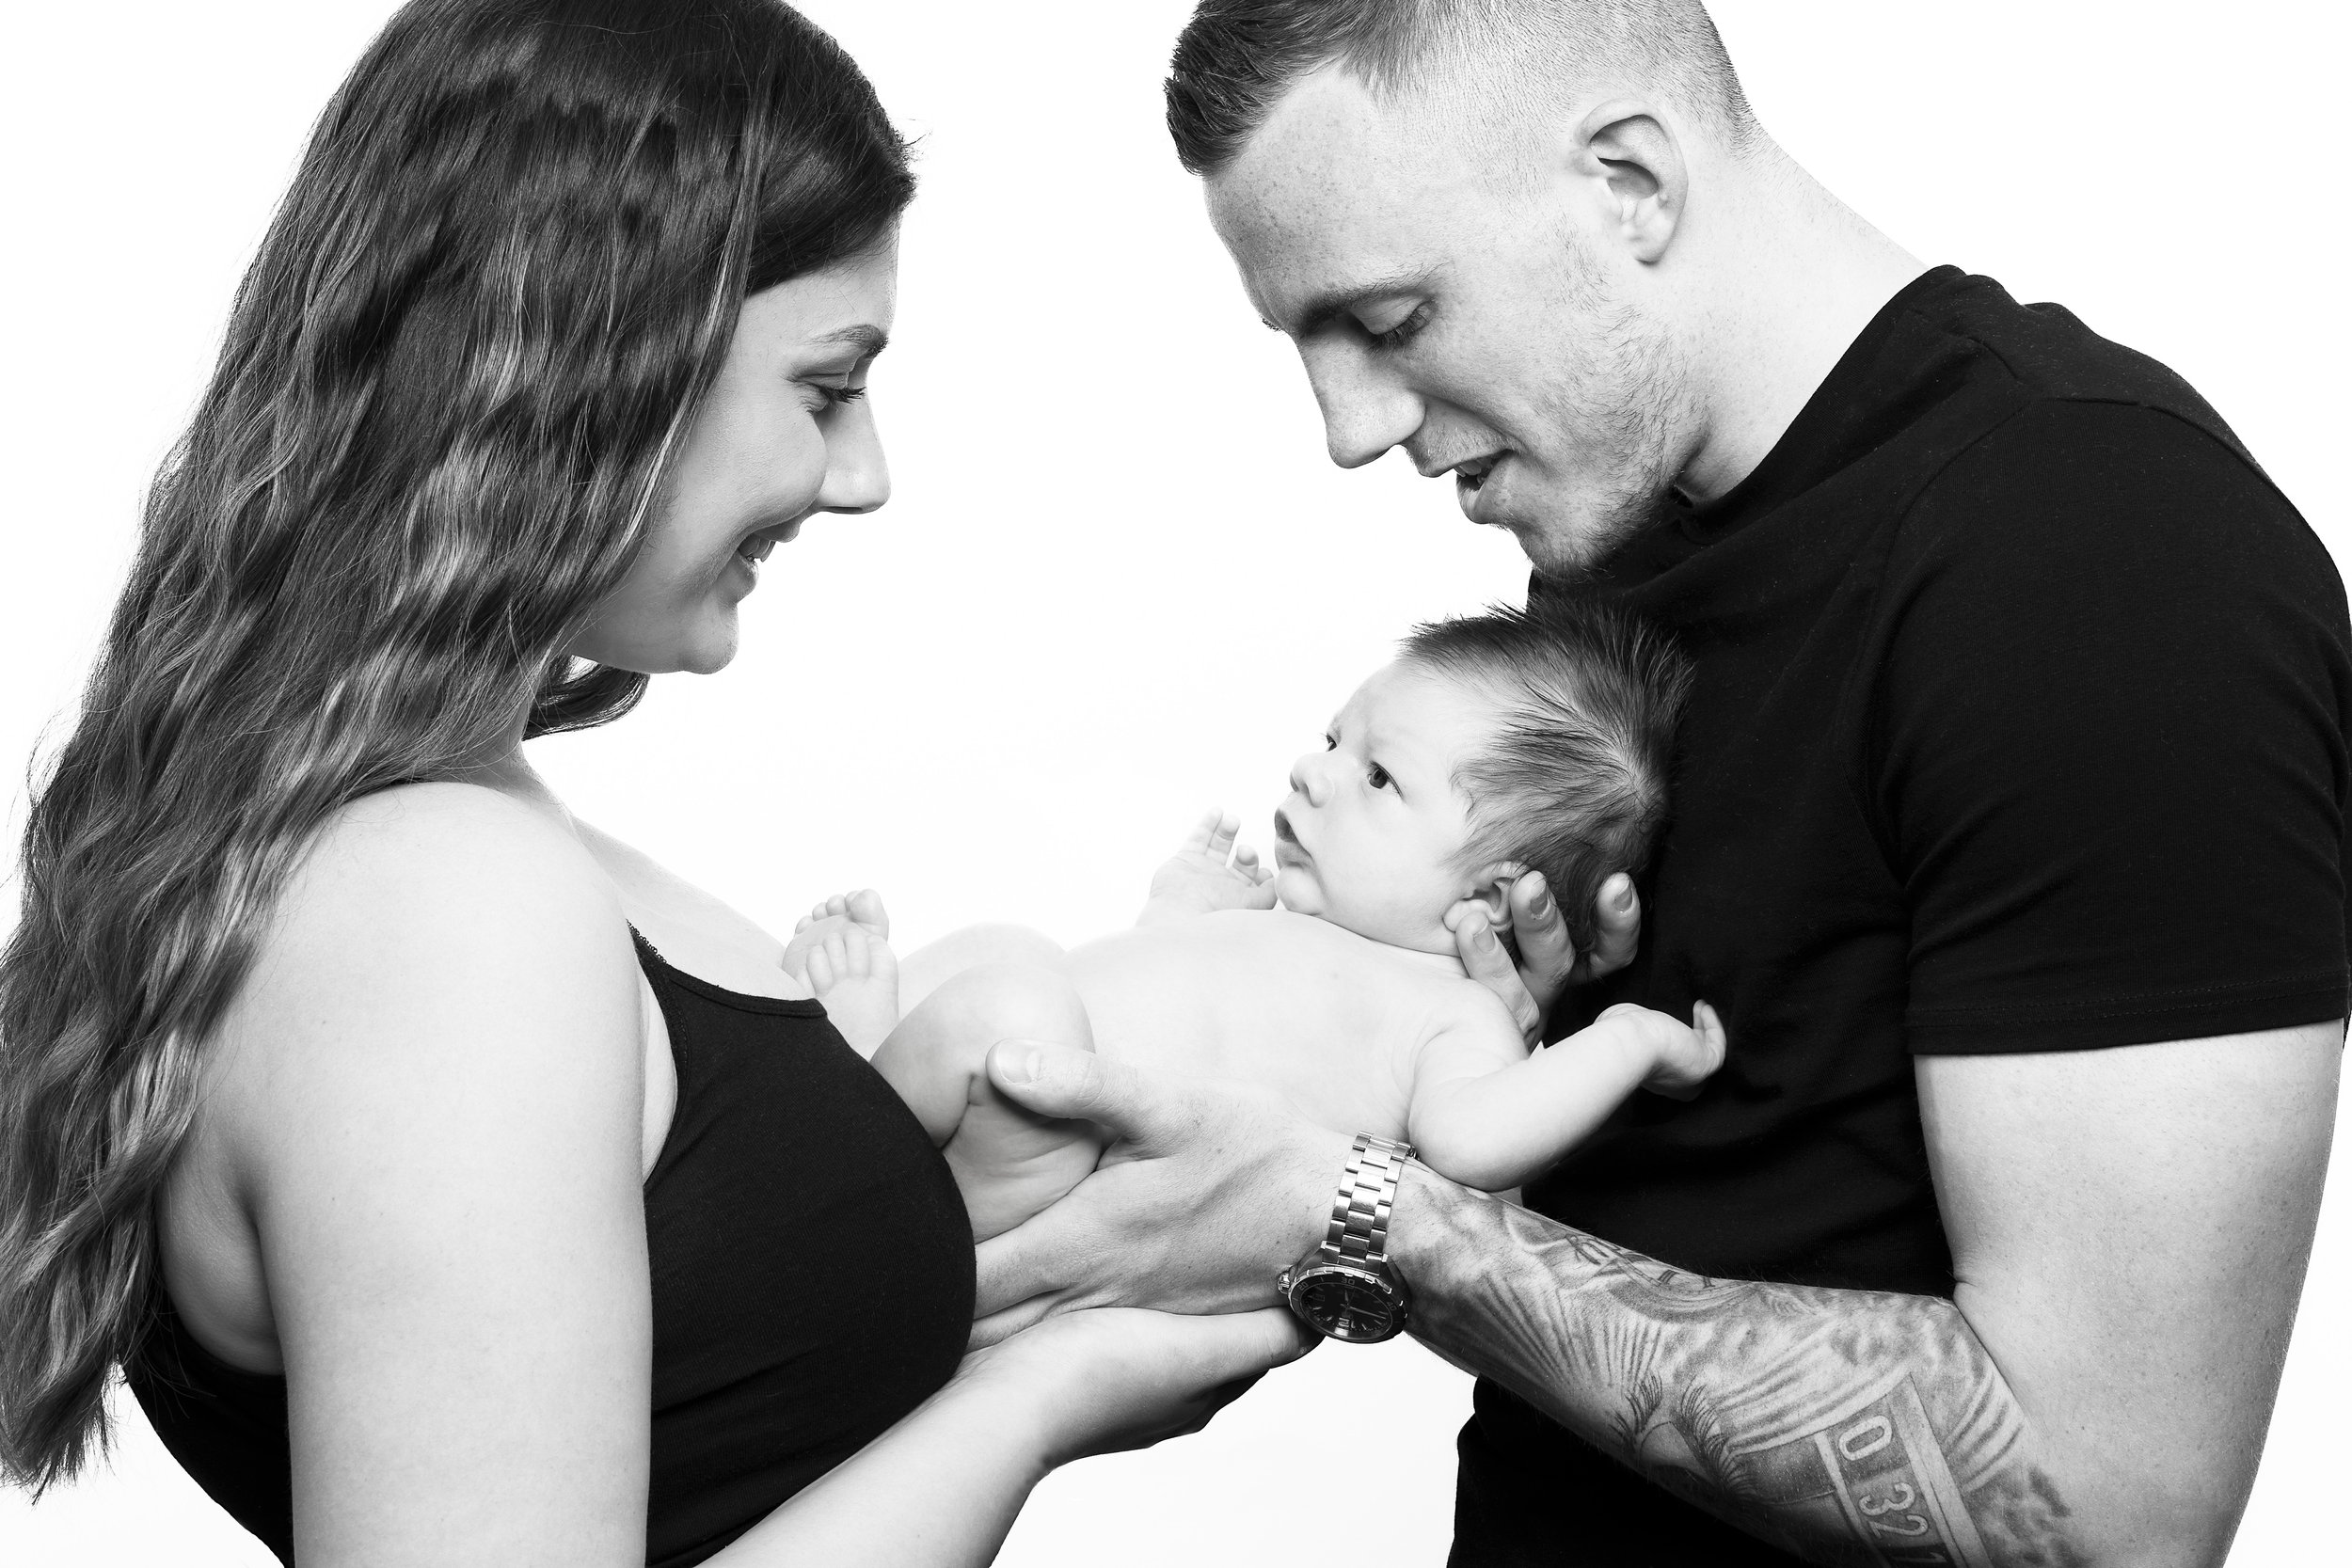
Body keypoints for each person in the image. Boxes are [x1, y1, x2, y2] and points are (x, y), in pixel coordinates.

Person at [970, 2, 2347, 1564]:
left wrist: (1359, 1214)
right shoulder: (1614, 544)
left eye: (1393, 321)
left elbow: (2110, 1497)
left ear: (1629, 182)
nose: (1351, 428)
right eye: (1310, 343)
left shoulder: (2106, 558)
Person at [0, 4, 1307, 1566]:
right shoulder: (441, 914)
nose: (862, 472)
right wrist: (1040, 1396)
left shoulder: (442, 853)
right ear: (605, 363)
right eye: (827, 386)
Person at [805, 603, 1722, 1236]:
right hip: (1021, 1096)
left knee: (1017, 1006)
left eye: (1377, 778)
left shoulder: (1457, 1015)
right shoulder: (1295, 930)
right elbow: (1174, 1021)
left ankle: (855, 1100)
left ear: (1488, 898)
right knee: (1008, 951)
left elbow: (1472, 1140)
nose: (1309, 770)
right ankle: (845, 1093)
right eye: (1334, 740)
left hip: (1049, 1171)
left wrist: (1623, 1041)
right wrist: (1177, 914)